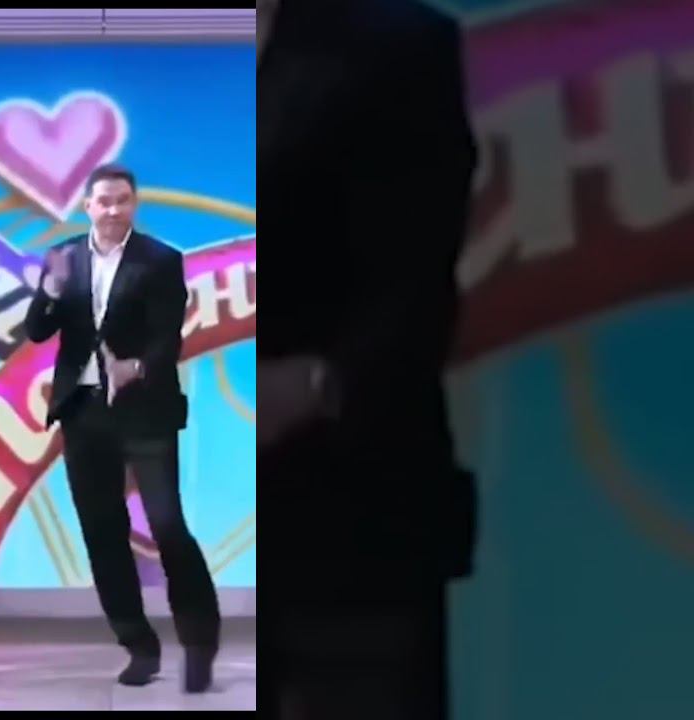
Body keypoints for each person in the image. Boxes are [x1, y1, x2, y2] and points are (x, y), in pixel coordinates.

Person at [259, 0, 479, 718]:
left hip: (340, 530)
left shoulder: (394, 48)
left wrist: (316, 386)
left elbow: (412, 288)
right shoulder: (110, 52)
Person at [24, 163, 221, 693]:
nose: (113, 210)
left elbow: (167, 336)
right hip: (83, 412)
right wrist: (49, 290)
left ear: (134, 205)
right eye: (104, 201)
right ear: (87, 206)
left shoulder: (160, 260)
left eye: (122, 200)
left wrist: (136, 368)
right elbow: (37, 330)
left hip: (144, 410)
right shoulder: (64, 258)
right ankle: (138, 646)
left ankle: (199, 645)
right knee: (102, 532)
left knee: (167, 525)